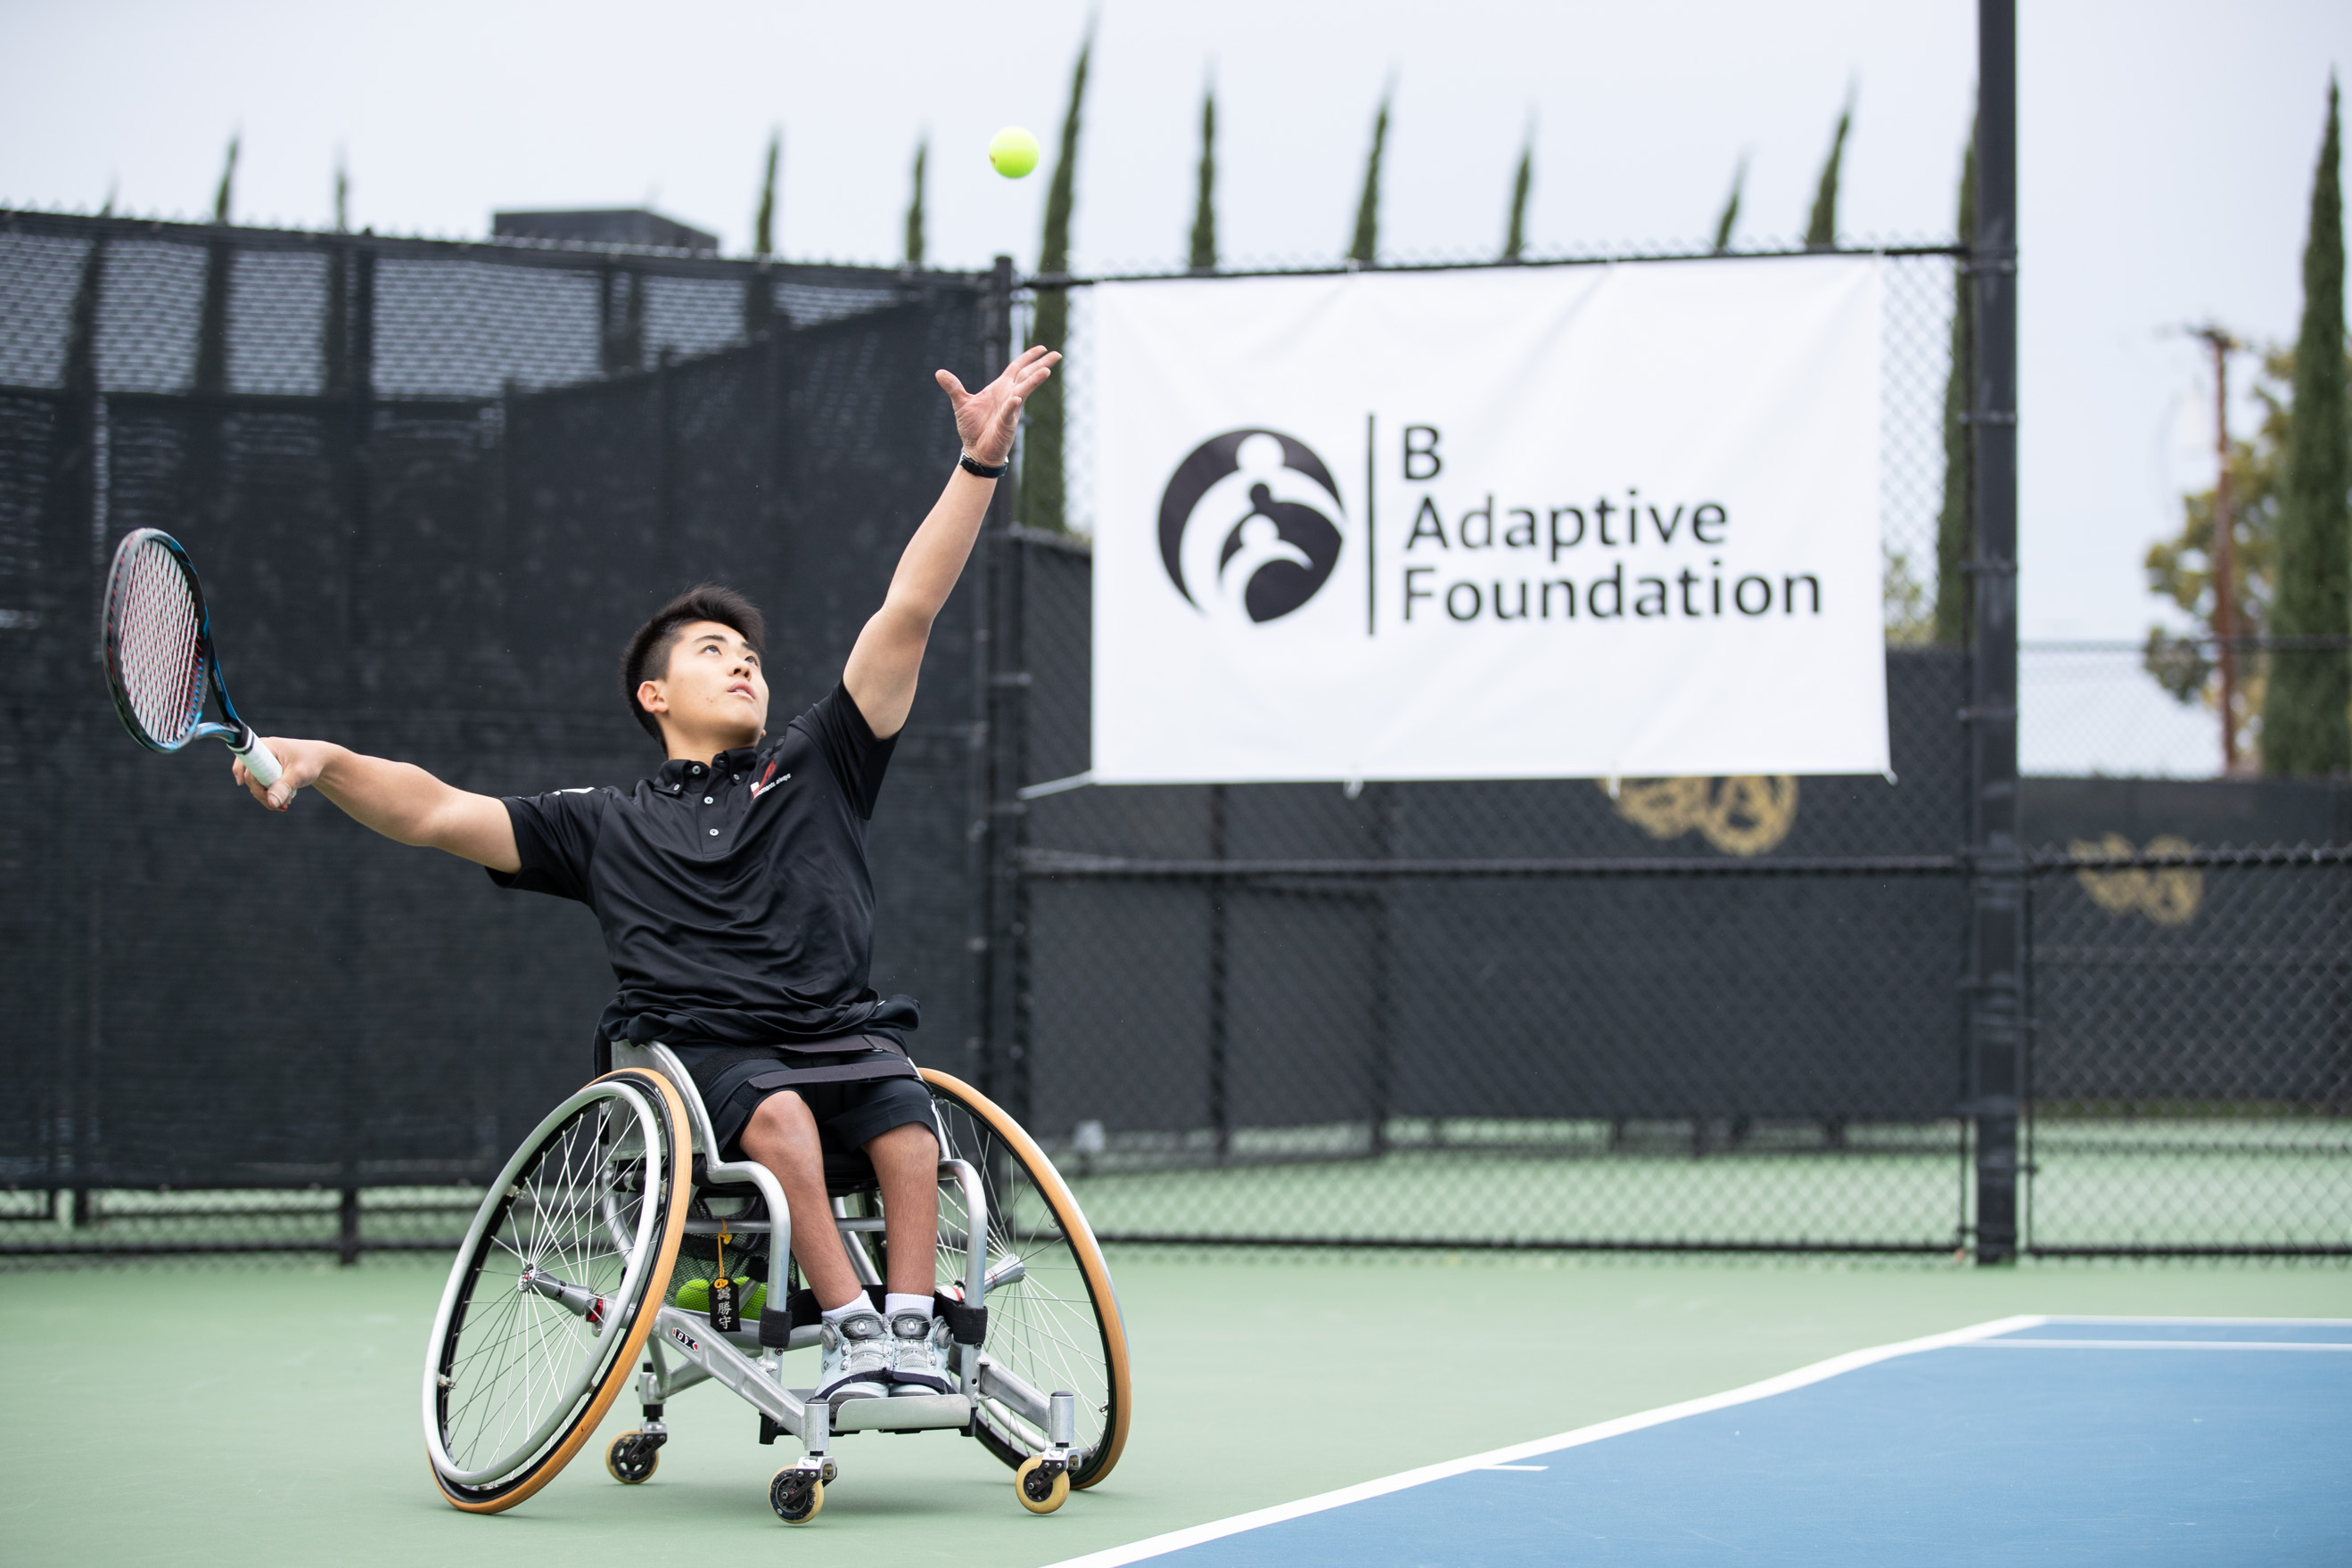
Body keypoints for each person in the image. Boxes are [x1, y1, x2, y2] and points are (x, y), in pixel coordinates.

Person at [230, 345, 1060, 1409]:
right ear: (654, 694)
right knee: (784, 1118)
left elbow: (906, 610)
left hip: (839, 1028)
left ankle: (911, 1332)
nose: (745, 661)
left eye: (751, 651)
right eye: (714, 650)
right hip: (711, 1058)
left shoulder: (820, 759)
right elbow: (435, 810)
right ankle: (848, 1328)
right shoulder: (599, 822)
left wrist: (977, 468)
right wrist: (324, 761)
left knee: (905, 1120)